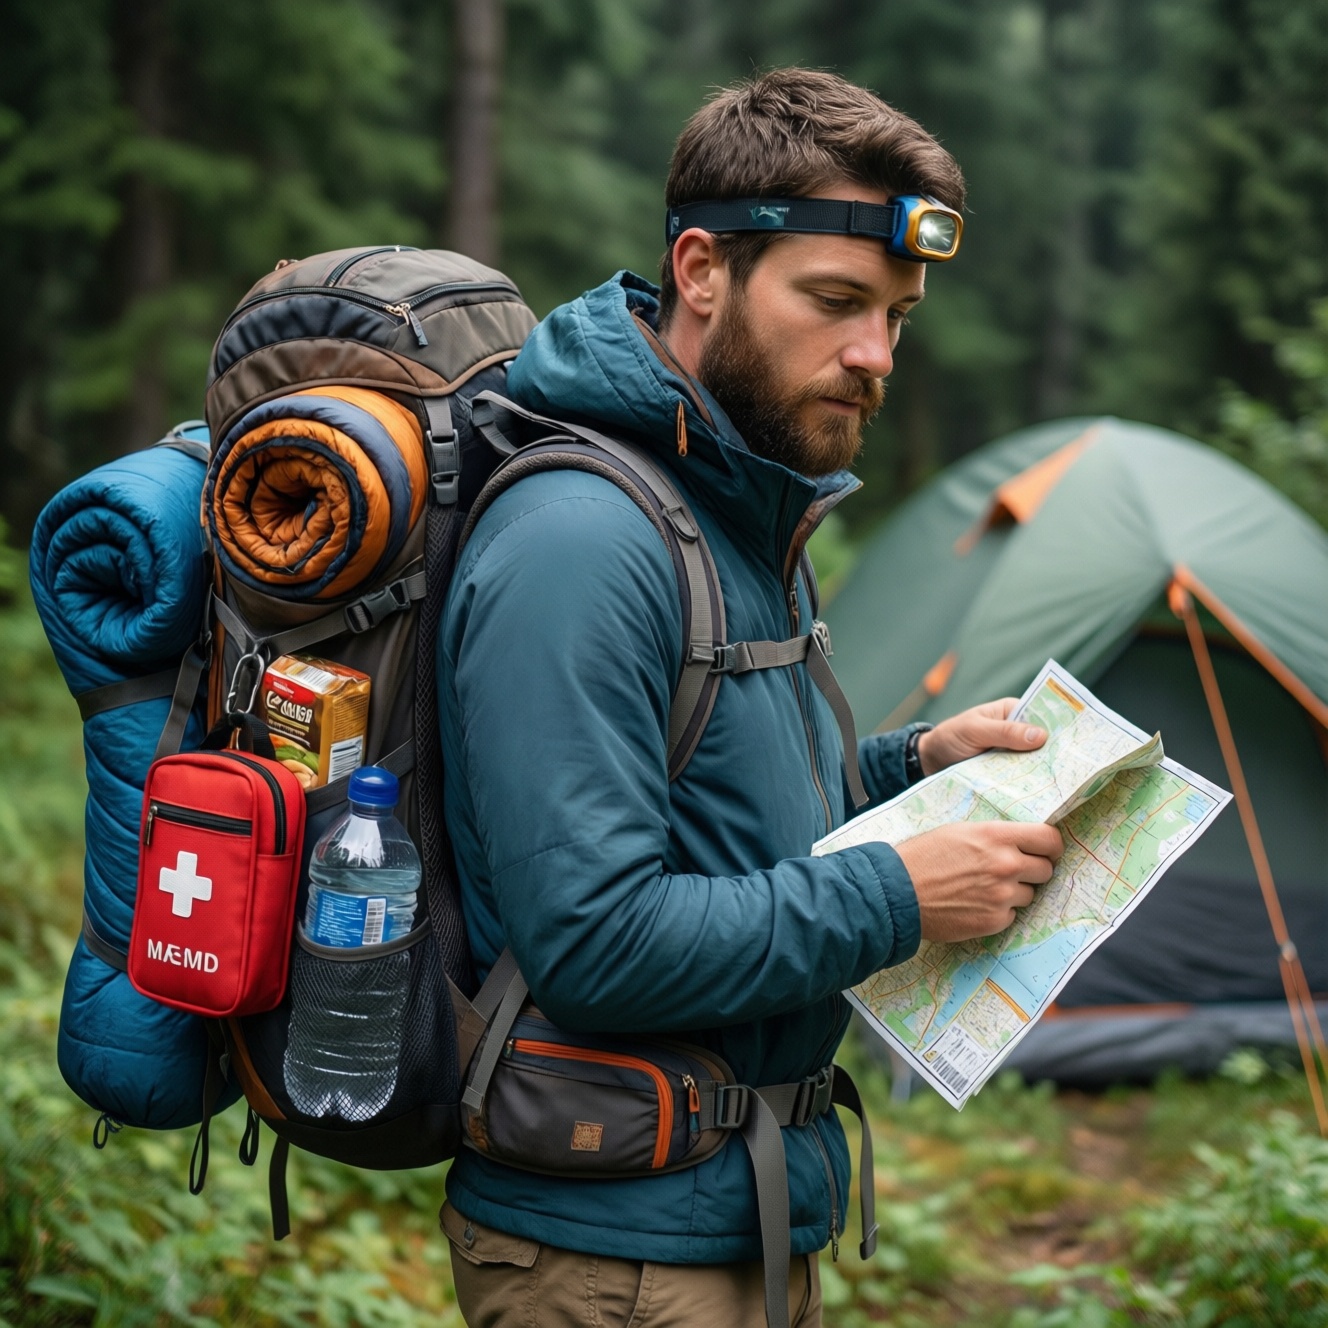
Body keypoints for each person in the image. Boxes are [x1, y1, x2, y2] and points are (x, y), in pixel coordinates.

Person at [436, 67, 1064, 1327]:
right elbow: (595, 940)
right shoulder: (580, 539)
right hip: (612, 1257)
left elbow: (708, 800)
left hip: (731, 1206)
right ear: (700, 269)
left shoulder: (732, 498)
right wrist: (901, 892)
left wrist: (904, 766)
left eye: (896, 315)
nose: (871, 354)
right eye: (835, 301)